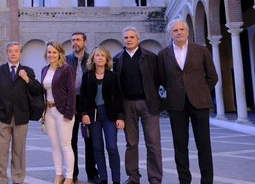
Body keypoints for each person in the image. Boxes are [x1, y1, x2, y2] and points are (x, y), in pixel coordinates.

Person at [157, 18, 218, 184]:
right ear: (171, 33)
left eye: (181, 30)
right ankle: (184, 180)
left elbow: (212, 76)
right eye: (175, 30)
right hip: (177, 104)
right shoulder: (163, 54)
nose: (179, 32)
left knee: (203, 144)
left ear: (187, 32)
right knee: (180, 145)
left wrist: (201, 90)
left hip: (199, 103)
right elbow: (162, 78)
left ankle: (207, 181)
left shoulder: (201, 50)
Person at [113, 27, 162, 184]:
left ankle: (155, 178)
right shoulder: (117, 59)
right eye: (126, 37)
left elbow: (158, 79)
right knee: (131, 143)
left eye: (132, 37)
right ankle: (133, 177)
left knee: (153, 143)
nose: (129, 39)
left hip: (148, 104)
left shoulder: (150, 57)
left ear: (138, 39)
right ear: (123, 40)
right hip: (127, 105)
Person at [0, 41, 42, 184]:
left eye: (16, 51)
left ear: (20, 53)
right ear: (7, 53)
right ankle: (1, 180)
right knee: (1, 152)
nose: (13, 53)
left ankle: (18, 179)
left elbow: (37, 90)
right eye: (10, 51)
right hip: (2, 117)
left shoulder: (28, 71)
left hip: (21, 116)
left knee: (19, 151)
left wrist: (26, 79)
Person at [80, 46, 125, 184]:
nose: (100, 58)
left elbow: (119, 97)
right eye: (97, 55)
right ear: (93, 58)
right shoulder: (87, 75)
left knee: (112, 147)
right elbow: (83, 97)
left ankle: (116, 179)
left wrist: (121, 117)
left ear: (106, 59)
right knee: (97, 147)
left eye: (102, 56)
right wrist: (83, 114)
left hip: (109, 114)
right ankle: (103, 179)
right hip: (93, 115)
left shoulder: (113, 76)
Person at [65, 32, 99, 183]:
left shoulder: (92, 60)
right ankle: (73, 173)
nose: (75, 42)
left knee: (89, 140)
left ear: (85, 42)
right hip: (71, 103)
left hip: (87, 104)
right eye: (73, 40)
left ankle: (92, 173)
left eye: (78, 40)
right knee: (70, 141)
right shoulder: (65, 60)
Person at [41, 42, 76, 184]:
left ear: (60, 53)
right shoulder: (44, 69)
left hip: (62, 111)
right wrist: (43, 112)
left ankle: (69, 176)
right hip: (49, 111)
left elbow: (71, 92)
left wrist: (69, 113)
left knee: (66, 145)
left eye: (54, 52)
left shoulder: (66, 69)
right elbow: (43, 91)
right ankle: (59, 174)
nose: (51, 55)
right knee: (54, 145)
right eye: (49, 52)